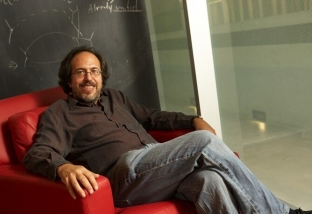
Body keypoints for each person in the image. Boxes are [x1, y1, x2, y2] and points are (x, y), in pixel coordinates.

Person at [24, 46, 311, 214]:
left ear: (102, 76)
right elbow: (39, 152)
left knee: (209, 180)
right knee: (204, 142)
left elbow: (153, 118)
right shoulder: (59, 113)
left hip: (157, 164)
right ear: (69, 80)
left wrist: (192, 119)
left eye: (95, 71)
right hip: (122, 176)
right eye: (81, 72)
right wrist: (63, 168)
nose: (89, 78)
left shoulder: (116, 98)